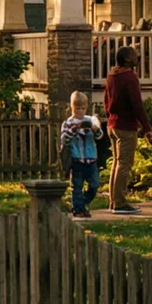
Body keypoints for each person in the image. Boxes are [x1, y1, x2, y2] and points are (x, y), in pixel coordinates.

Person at [101, 45, 149, 214]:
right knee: (124, 164)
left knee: (117, 163)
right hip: (126, 126)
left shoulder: (112, 76)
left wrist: (110, 117)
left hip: (112, 124)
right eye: (135, 55)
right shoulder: (130, 77)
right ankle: (120, 203)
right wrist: (147, 128)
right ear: (128, 59)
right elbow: (137, 105)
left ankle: (113, 201)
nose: (138, 57)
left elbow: (106, 100)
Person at [59, 91, 103, 219]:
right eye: (77, 108)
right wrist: (74, 129)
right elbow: (64, 140)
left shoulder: (91, 120)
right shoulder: (68, 123)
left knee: (94, 184)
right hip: (77, 159)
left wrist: (95, 129)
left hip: (91, 159)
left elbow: (100, 136)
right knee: (77, 186)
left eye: (83, 108)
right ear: (72, 107)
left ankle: (82, 203)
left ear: (86, 107)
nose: (80, 111)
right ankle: (78, 210)